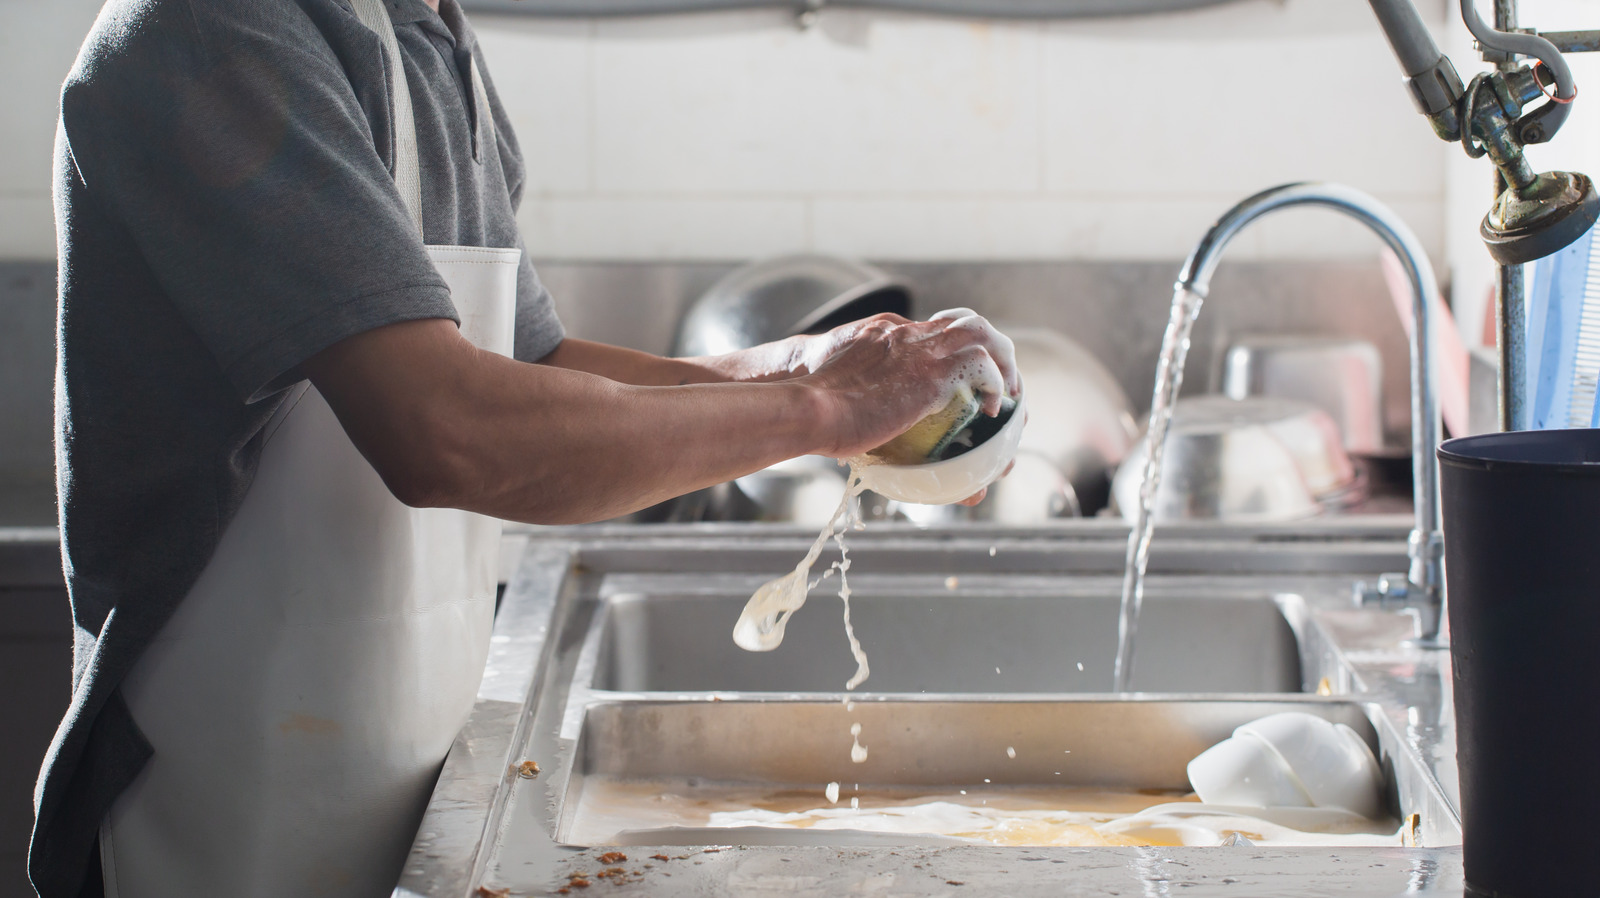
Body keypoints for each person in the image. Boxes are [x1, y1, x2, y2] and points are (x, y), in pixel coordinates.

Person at [31, 0, 1019, 896]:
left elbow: (534, 365)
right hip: (223, 802)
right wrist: (822, 410)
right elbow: (449, 431)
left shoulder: (425, 33)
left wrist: (814, 363)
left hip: (404, 774)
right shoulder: (219, 32)